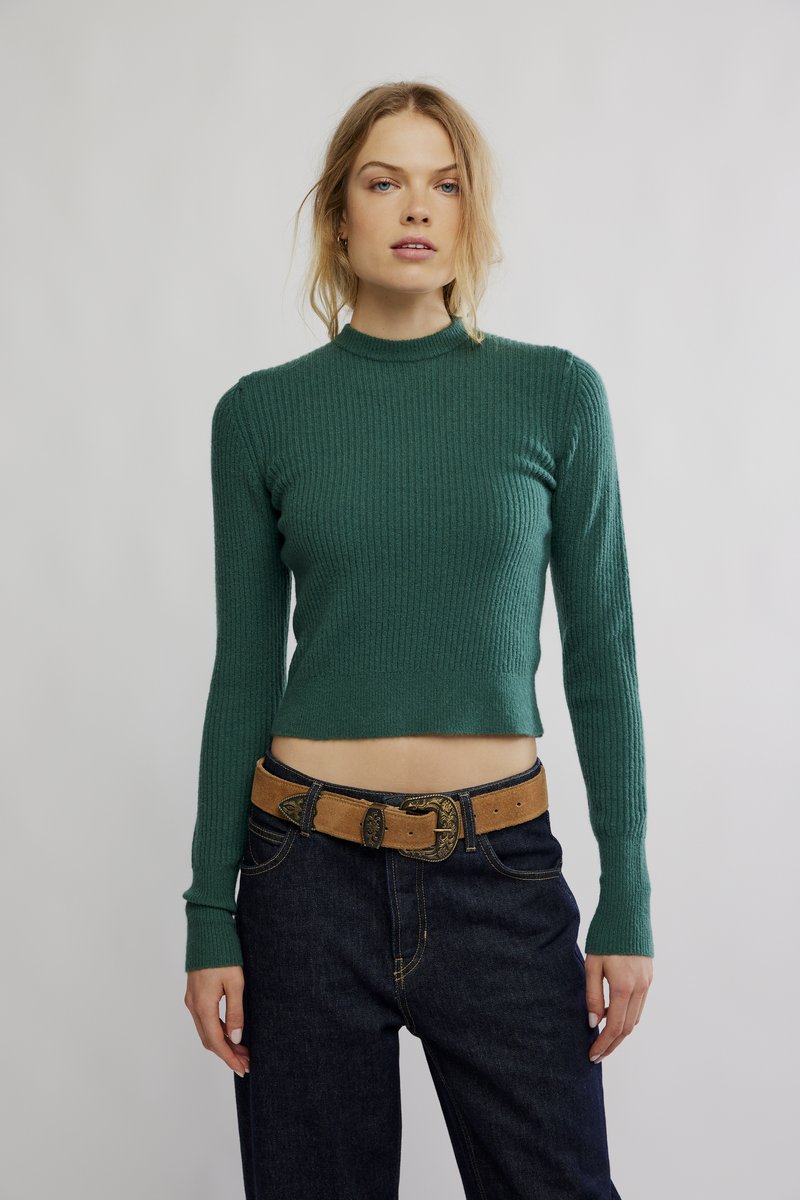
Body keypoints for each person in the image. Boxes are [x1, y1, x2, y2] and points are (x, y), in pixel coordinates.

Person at [182, 80, 654, 1200]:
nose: (416, 207)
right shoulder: (259, 415)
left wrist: (626, 893)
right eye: (383, 180)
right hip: (302, 878)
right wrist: (210, 914)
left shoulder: (555, 396)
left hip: (500, 872)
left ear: (469, 212)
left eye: (444, 184)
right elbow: (244, 670)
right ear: (337, 212)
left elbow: (603, 659)